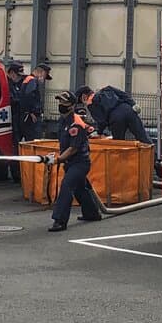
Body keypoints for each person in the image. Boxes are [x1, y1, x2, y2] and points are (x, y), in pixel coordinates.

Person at [46, 91, 102, 231]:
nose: (60, 105)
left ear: (71, 106)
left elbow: (73, 149)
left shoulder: (75, 124)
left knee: (66, 186)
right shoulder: (63, 120)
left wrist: (58, 159)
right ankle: (92, 213)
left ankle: (60, 220)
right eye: (59, 102)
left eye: (63, 103)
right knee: (79, 188)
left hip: (80, 163)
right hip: (70, 163)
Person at [77, 85, 151, 145]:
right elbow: (123, 94)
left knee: (118, 144)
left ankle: (120, 162)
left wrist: (99, 132)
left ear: (84, 97)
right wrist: (133, 104)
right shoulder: (107, 89)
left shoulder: (92, 105)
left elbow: (102, 121)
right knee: (142, 136)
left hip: (116, 120)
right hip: (129, 110)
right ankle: (154, 160)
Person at [18, 63, 51, 142]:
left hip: (25, 116)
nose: (44, 79)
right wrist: (31, 112)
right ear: (42, 72)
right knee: (34, 140)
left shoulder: (27, 79)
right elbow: (29, 95)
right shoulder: (32, 81)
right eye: (45, 76)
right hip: (32, 118)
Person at [5, 60, 25, 183]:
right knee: (13, 146)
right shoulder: (7, 84)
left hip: (17, 119)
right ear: (12, 73)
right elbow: (13, 100)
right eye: (18, 74)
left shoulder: (17, 84)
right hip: (11, 119)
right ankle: (15, 173)